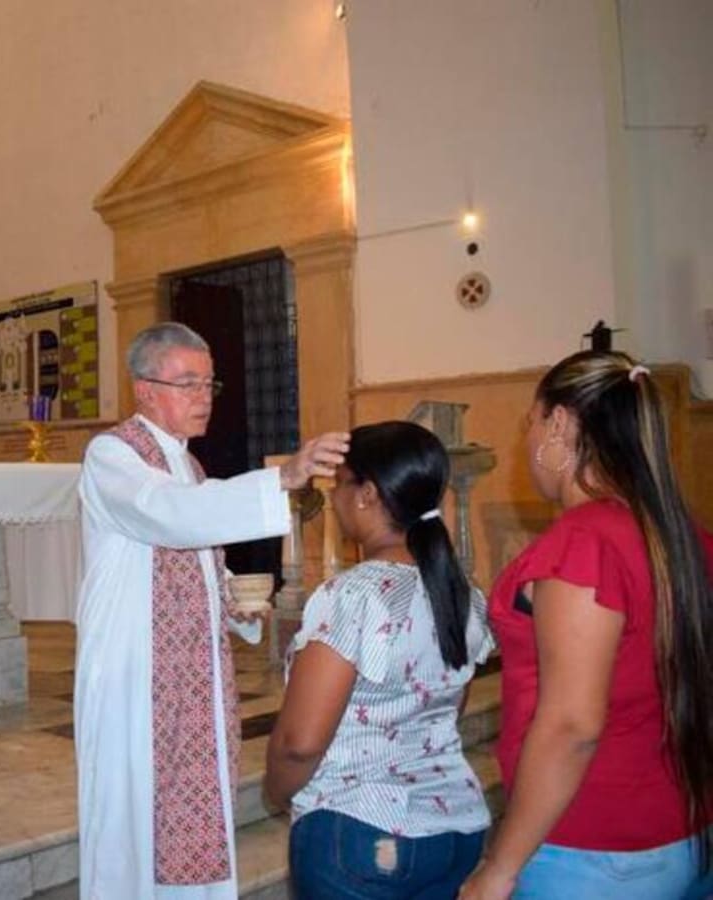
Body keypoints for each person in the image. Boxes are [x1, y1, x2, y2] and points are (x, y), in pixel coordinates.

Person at [74, 321, 349, 899]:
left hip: (192, 672)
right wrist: (283, 477)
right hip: (135, 673)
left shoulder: (190, 465)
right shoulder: (112, 454)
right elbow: (166, 515)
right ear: (145, 389)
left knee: (188, 798)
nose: (203, 397)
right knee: (135, 807)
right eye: (187, 383)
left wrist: (233, 604)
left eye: (208, 384)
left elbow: (197, 552)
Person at [459, 350, 713, 899]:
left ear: (560, 423)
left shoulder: (586, 543)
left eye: (530, 422)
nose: (526, 442)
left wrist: (500, 867)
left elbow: (572, 726)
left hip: (592, 846)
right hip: (682, 824)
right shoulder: (681, 533)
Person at [264, 420, 494, 898]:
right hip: (455, 825)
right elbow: (447, 706)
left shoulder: (355, 595)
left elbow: (300, 742)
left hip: (361, 830)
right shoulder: (463, 593)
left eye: (341, 485)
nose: (336, 498)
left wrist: (277, 791)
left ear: (367, 494)